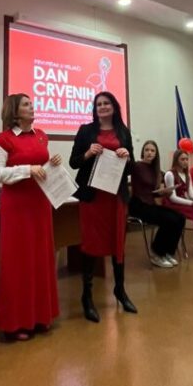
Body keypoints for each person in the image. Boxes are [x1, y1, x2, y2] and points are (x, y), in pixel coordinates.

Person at [0, 93, 60, 341]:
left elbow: (42, 169)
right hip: (17, 207)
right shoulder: (3, 139)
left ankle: (40, 316)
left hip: (40, 204)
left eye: (31, 103)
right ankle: (16, 322)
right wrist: (28, 170)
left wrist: (52, 164)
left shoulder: (41, 135)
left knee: (40, 257)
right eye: (26, 104)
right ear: (15, 111)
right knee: (18, 261)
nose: (32, 107)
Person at [70, 92, 136, 322]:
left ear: (114, 106)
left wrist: (128, 157)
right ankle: (87, 297)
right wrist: (89, 153)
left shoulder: (123, 131)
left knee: (118, 243)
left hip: (115, 197)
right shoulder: (86, 131)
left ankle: (120, 290)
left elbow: (131, 168)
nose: (102, 106)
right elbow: (73, 162)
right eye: (98, 104)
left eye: (106, 103)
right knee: (90, 242)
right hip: (93, 198)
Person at [129, 140, 185, 269]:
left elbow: (152, 193)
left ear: (156, 154)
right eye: (147, 150)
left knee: (180, 218)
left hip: (150, 203)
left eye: (152, 150)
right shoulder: (137, 166)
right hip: (138, 205)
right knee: (169, 219)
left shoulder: (155, 169)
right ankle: (157, 253)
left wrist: (163, 192)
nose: (149, 152)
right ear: (143, 152)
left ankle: (167, 252)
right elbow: (141, 191)